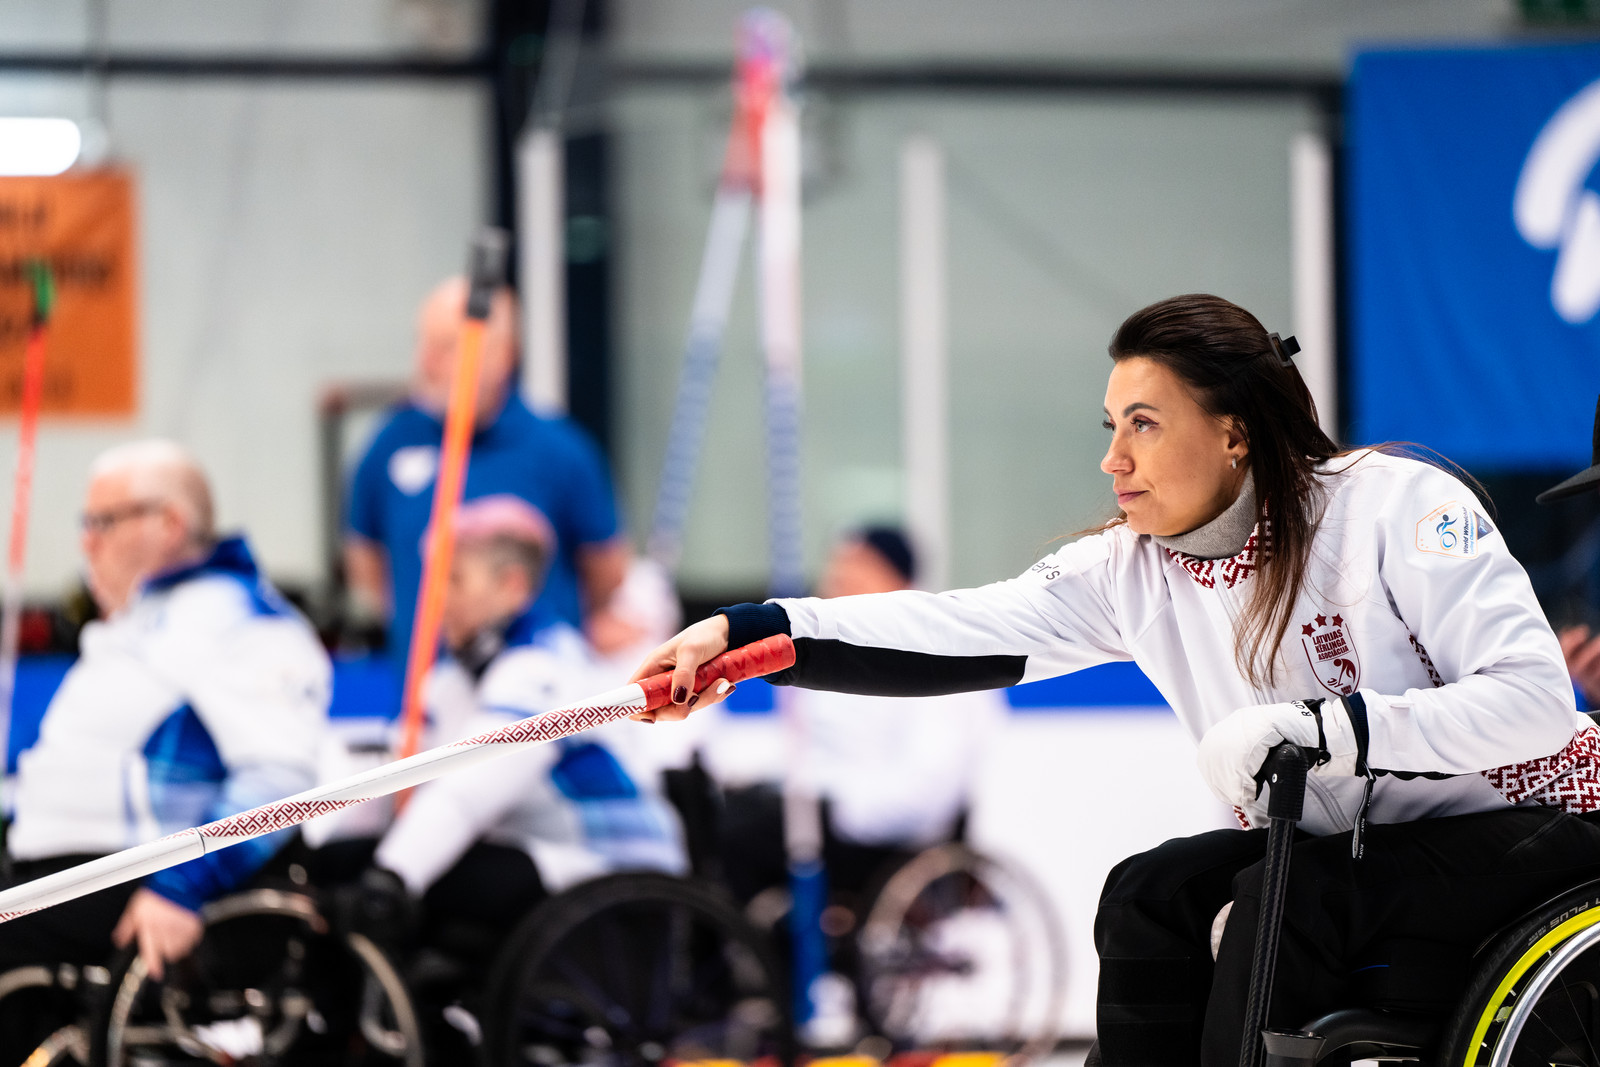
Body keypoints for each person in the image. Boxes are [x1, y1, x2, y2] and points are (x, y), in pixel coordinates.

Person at [632, 294, 1600, 1067]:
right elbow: (956, 626)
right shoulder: (1132, 565)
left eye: (1143, 422)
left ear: (1234, 433)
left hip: (1534, 821)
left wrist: (1327, 726)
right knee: (1147, 890)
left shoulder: (1393, 505)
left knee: (1287, 894)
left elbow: (1532, 701)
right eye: (1110, 424)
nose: (1113, 457)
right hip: (1355, 846)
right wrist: (753, 632)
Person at [0, 440, 331, 1060]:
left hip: (144, 880)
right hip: (61, 874)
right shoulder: (140, 622)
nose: (87, 543)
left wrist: (184, 885)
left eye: (103, 522)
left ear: (169, 523)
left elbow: (279, 780)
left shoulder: (245, 621)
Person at [316, 495, 683, 1006]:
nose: (435, 599)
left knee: (415, 886)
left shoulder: (543, 668)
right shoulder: (457, 673)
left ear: (512, 585)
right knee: (335, 866)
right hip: (532, 848)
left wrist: (392, 877)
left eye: (454, 580)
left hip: (606, 869)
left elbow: (467, 790)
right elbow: (404, 775)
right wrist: (323, 848)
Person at [343, 277, 631, 665]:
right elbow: (366, 562)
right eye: (423, 344)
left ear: (504, 355)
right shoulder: (390, 442)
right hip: (424, 701)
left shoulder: (560, 451)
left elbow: (605, 572)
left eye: (447, 347)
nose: (427, 363)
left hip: (538, 703)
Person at [720, 526, 1003, 906]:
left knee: (741, 839)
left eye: (858, 565)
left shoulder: (942, 656)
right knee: (720, 813)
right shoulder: (833, 655)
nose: (839, 577)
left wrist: (838, 810)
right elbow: (812, 748)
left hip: (879, 836)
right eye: (836, 565)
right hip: (827, 809)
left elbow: (926, 788)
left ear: (897, 578)